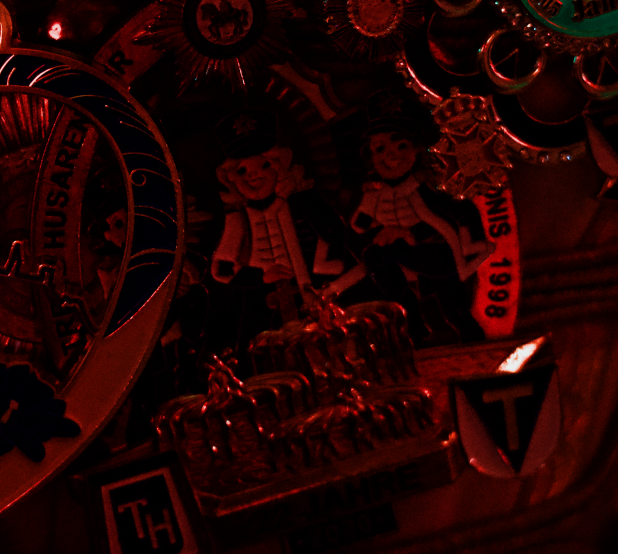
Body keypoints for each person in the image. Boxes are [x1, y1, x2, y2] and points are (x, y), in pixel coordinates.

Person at [207, 109, 363, 363]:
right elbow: (222, 267)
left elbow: (335, 236)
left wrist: (324, 283)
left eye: (263, 165)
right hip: (264, 309)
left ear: (279, 166)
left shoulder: (305, 202)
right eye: (243, 171)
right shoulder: (238, 218)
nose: (254, 175)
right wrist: (260, 277)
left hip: (317, 297)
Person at [350, 94, 492, 344]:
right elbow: (358, 225)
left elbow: (456, 214)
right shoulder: (373, 196)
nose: (391, 155)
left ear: (416, 148)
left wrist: (409, 233)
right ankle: (409, 315)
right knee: (374, 255)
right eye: (380, 149)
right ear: (370, 157)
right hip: (403, 258)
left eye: (401, 145)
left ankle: (475, 342)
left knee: (455, 312)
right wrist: (379, 232)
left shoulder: (427, 188)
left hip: (438, 256)